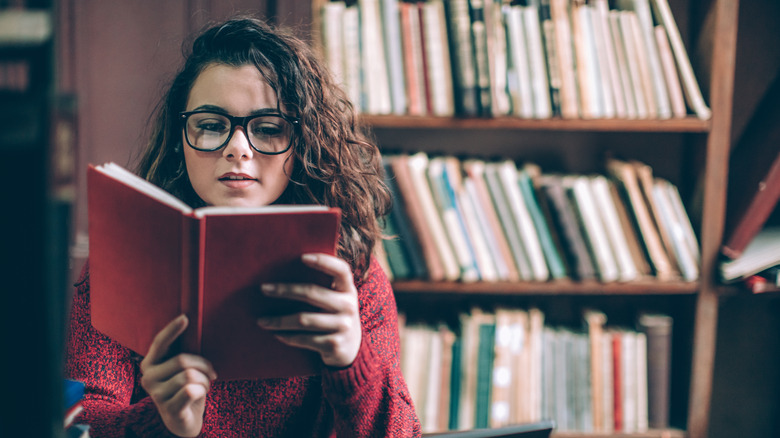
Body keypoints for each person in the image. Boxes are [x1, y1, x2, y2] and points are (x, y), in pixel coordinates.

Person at [65, 16, 421, 437]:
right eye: (212, 125)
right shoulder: (118, 267)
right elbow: (78, 425)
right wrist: (164, 424)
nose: (238, 148)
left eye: (268, 129)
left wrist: (352, 362)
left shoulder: (351, 279)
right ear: (181, 139)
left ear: (302, 145)